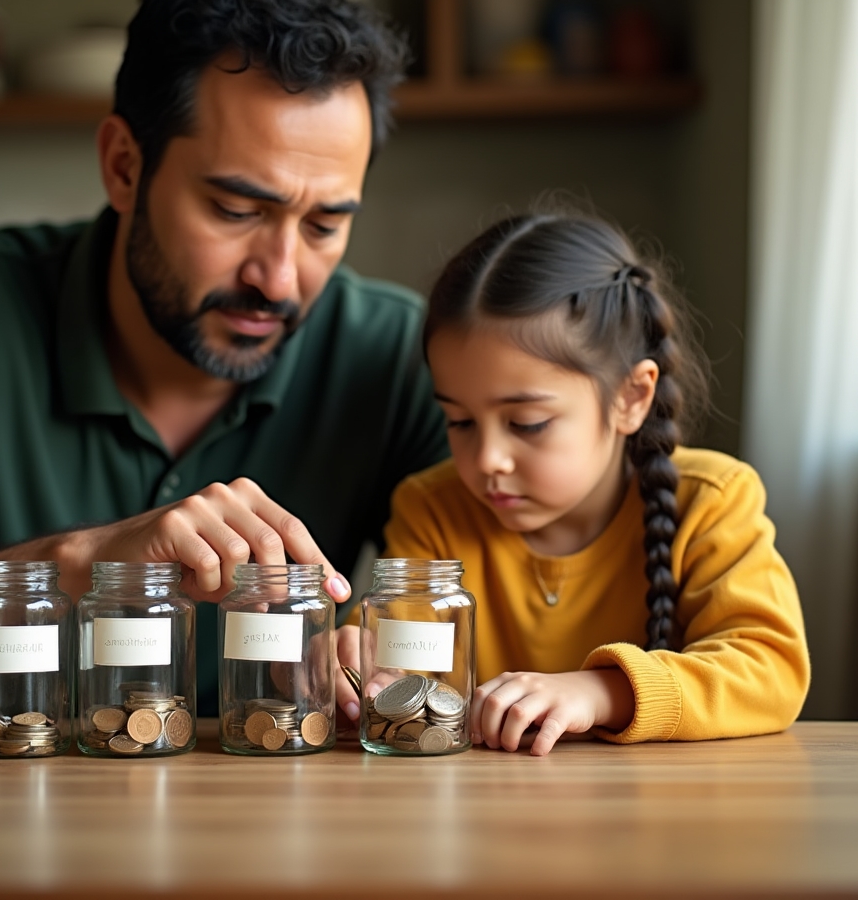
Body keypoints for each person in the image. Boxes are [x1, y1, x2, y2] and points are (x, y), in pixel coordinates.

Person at [0, 0, 449, 730]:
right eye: (235, 210)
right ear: (124, 167)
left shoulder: (398, 352)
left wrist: (379, 660)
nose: (281, 277)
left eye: (326, 225)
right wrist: (76, 566)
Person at [338, 202, 810, 752]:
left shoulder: (711, 502)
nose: (487, 457)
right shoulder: (433, 508)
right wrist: (359, 664)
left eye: (527, 423)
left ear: (631, 397)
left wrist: (603, 691)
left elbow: (770, 669)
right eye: (459, 420)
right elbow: (390, 660)